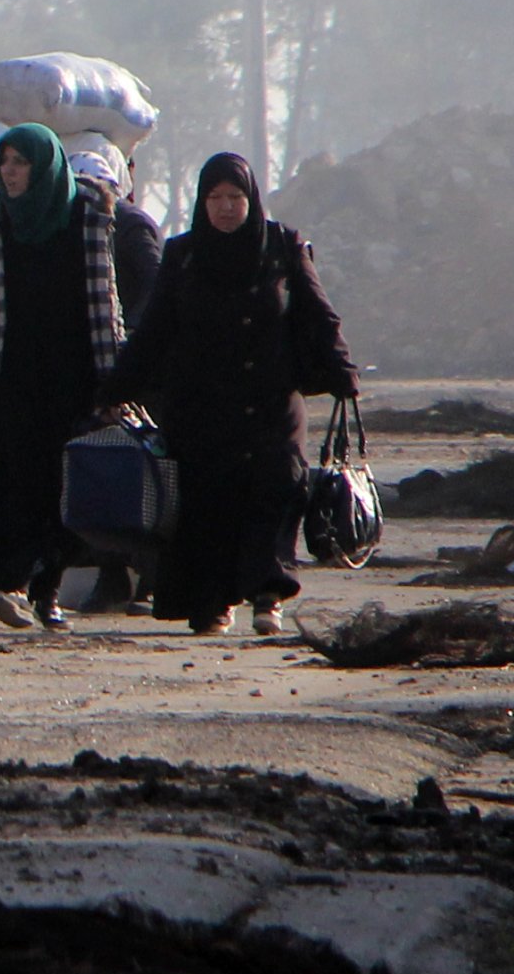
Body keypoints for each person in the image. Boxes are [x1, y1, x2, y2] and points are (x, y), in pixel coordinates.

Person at [97, 151, 356, 637]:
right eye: (214, 197)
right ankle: (213, 602)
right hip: (201, 405)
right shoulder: (183, 254)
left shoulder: (282, 246)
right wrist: (117, 387)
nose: (224, 207)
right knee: (208, 505)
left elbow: (318, 313)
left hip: (271, 400)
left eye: (234, 197)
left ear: (251, 199)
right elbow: (155, 330)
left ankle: (268, 595)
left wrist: (341, 369)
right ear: (202, 201)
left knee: (278, 487)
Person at [0, 123, 125, 634]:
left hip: (71, 378)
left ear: (44, 166)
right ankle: (6, 585)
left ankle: (47, 592)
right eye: (5, 161)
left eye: (20, 163)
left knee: (56, 492)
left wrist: (116, 382)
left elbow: (107, 303)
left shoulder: (88, 214)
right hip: (6, 375)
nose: (10, 172)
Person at [0, 89, 161, 329]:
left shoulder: (125, 224)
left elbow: (153, 280)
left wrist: (134, 333)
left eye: (20, 162)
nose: (9, 170)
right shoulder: (46, 220)